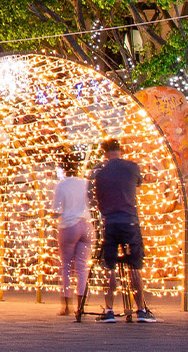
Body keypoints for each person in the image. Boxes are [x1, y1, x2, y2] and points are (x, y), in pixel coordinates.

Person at [91, 137, 156, 322]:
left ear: (104, 153)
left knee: (109, 267)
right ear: (121, 150)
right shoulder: (132, 167)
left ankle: (109, 311)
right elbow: (138, 183)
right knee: (135, 266)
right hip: (130, 221)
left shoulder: (99, 172)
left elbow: (95, 196)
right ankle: (141, 310)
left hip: (110, 222)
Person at [52, 154, 92, 318]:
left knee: (67, 266)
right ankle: (80, 305)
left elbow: (57, 210)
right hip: (87, 225)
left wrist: (54, 218)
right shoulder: (85, 183)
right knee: (82, 267)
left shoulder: (62, 185)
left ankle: (66, 305)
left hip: (69, 226)